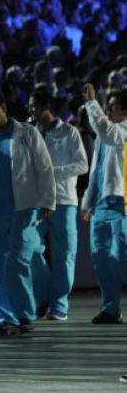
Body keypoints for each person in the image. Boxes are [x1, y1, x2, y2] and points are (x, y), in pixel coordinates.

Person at [0, 90, 55, 335]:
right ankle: (7, 316)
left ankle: (23, 313)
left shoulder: (27, 133)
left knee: (17, 262)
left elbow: (45, 168)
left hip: (24, 209)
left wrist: (48, 200)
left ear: (3, 107)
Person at [28, 87, 88, 321]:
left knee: (65, 254)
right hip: (36, 201)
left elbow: (82, 165)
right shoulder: (30, 132)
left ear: (46, 108)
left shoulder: (70, 132)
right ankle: (44, 294)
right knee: (30, 249)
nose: (30, 110)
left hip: (63, 200)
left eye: (33, 106)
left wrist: (52, 173)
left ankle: (59, 304)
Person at [80, 84, 127, 324]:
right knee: (101, 258)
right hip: (101, 205)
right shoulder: (104, 133)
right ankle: (110, 309)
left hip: (123, 204)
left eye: (112, 107)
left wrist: (92, 103)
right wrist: (89, 203)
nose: (107, 112)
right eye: (106, 107)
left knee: (123, 255)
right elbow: (96, 171)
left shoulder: (123, 130)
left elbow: (109, 131)